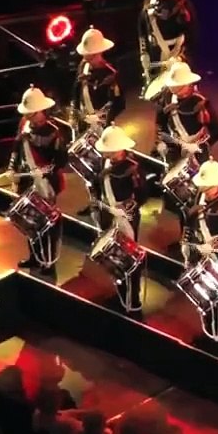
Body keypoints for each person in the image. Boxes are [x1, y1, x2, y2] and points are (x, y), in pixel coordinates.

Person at [7, 86, 68, 277]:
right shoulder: (24, 125)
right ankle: (34, 256)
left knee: (46, 224)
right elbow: (17, 148)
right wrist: (11, 168)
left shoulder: (55, 132)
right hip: (28, 181)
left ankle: (48, 261)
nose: (29, 117)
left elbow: (61, 161)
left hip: (46, 183)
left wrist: (46, 169)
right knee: (31, 222)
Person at [91, 126, 147, 316]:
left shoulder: (132, 168)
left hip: (127, 219)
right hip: (109, 214)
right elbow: (97, 185)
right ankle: (122, 292)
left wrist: (125, 209)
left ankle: (133, 301)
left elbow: (141, 195)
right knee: (115, 256)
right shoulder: (105, 163)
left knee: (129, 258)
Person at [183, 161, 218, 341]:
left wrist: (214, 245)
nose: (206, 189)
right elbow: (191, 225)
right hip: (202, 254)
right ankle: (209, 329)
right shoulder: (198, 201)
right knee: (206, 295)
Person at [138, 0, 194, 94]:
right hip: (157, 61)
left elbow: (192, 35)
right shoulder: (148, 7)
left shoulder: (182, 6)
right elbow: (142, 32)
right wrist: (144, 56)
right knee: (161, 101)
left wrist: (182, 56)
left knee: (182, 96)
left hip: (179, 59)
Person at [156, 61, 213, 165]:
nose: (175, 90)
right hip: (178, 143)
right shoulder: (168, 97)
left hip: (198, 144)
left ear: (189, 84)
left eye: (179, 87)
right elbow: (161, 120)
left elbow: (213, 127)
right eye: (173, 87)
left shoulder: (198, 100)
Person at [73, 26, 123, 128]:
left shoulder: (111, 72)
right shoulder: (83, 66)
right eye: (85, 55)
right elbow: (77, 94)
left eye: (90, 56)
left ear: (99, 52)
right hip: (87, 120)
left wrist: (103, 116)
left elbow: (118, 103)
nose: (86, 59)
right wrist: (78, 115)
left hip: (104, 122)